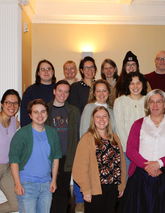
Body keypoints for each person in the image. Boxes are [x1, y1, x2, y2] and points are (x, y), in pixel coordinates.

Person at [117, 89, 165, 213]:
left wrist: (158, 164)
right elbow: (131, 149)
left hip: (164, 175)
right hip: (141, 175)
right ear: (148, 105)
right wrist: (147, 166)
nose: (155, 105)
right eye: (152, 102)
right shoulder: (138, 124)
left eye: (159, 102)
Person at [9, 99, 61, 213]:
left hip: (46, 184)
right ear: (30, 115)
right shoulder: (21, 134)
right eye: (36, 112)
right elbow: (14, 160)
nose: (40, 115)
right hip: (27, 184)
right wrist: (18, 184)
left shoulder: (52, 133)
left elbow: (55, 158)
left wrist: (53, 180)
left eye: (43, 111)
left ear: (47, 114)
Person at [72, 106, 127, 213]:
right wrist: (86, 190)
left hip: (113, 187)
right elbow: (79, 168)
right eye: (98, 117)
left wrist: (121, 185)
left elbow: (122, 164)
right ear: (93, 120)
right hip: (95, 188)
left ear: (109, 119)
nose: (101, 119)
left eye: (104, 116)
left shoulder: (115, 138)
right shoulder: (87, 139)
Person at [67, 56, 97, 212]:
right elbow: (75, 111)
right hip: (82, 131)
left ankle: (94, 196)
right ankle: (80, 200)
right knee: (82, 166)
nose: (89, 70)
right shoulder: (76, 87)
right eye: (86, 67)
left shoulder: (100, 86)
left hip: (99, 133)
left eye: (92, 67)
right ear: (81, 70)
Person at [45, 80, 80, 213]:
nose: (62, 94)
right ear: (54, 91)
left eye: (66, 92)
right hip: (48, 158)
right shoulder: (45, 110)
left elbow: (77, 134)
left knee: (62, 193)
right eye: (60, 90)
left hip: (66, 158)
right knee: (48, 192)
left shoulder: (74, 111)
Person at [113, 72, 148, 172]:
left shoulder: (148, 101)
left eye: (138, 83)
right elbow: (120, 129)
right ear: (128, 85)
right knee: (128, 182)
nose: (135, 86)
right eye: (132, 83)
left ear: (143, 84)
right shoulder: (120, 102)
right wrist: (131, 149)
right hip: (126, 151)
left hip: (146, 150)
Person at [21, 59, 57, 127]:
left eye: (48, 69)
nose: (46, 72)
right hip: (36, 130)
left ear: (53, 71)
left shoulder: (59, 90)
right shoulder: (30, 91)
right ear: (38, 73)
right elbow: (25, 115)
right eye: (42, 69)